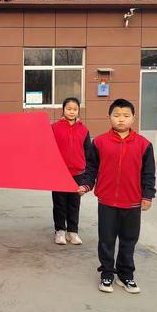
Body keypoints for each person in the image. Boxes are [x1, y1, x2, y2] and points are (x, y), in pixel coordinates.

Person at [79, 99, 156, 294]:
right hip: (107, 201)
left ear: (133, 118)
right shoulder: (100, 142)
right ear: (109, 117)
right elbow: (91, 168)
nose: (121, 119)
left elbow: (148, 173)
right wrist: (87, 184)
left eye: (125, 115)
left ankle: (125, 275)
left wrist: (147, 195)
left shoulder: (144, 145)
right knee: (106, 239)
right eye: (116, 115)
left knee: (129, 240)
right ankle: (107, 273)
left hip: (132, 202)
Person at [51, 97, 91, 245]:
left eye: (74, 109)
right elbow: (48, 149)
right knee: (59, 203)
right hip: (59, 173)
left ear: (78, 110)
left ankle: (72, 231)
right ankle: (60, 231)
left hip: (78, 173)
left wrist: (87, 173)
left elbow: (88, 152)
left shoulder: (84, 130)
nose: (71, 111)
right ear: (63, 109)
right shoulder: (54, 128)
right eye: (68, 108)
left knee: (74, 203)